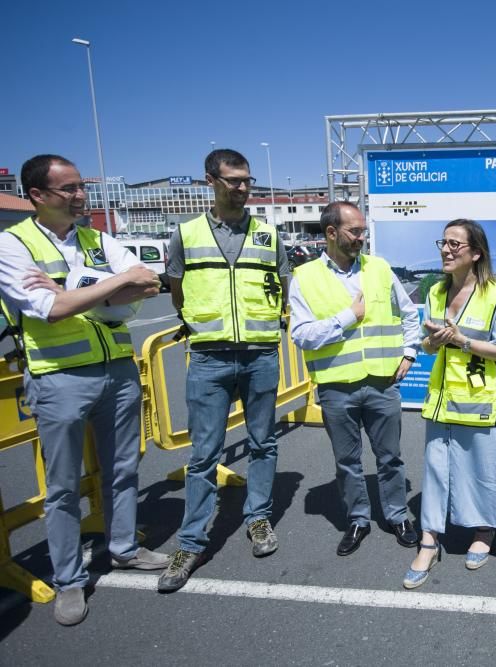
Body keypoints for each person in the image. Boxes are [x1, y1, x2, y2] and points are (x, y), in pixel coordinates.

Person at [0, 154, 168, 625]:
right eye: (68, 189)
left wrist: (69, 288)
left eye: (80, 187)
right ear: (36, 195)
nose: (79, 196)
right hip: (59, 376)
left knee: (122, 469)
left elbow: (148, 283)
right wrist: (109, 288)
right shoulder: (12, 244)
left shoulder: (97, 238)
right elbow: (45, 310)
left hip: (116, 369)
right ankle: (69, 579)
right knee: (63, 486)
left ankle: (122, 548)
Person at [157, 148, 290, 592]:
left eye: (247, 180)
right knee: (203, 457)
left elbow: (281, 287)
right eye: (234, 180)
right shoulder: (186, 234)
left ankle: (258, 519)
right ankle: (191, 543)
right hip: (210, 357)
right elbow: (177, 293)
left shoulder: (269, 236)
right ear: (210, 181)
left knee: (262, 443)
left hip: (260, 355)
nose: (243, 188)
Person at [289, 201, 420, 555]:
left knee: (390, 457)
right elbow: (300, 334)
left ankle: (397, 515)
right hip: (336, 388)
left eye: (363, 230)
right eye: (355, 231)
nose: (362, 237)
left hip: (381, 383)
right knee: (347, 461)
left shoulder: (378, 268)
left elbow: (409, 315)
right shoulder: (305, 278)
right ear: (331, 233)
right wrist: (349, 316)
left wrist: (409, 352)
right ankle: (358, 519)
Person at [403, 219, 496, 589]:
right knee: (436, 469)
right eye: (444, 242)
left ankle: (484, 531)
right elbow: (428, 344)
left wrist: (462, 340)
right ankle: (429, 540)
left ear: (476, 253)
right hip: (442, 399)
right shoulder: (435, 292)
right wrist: (434, 344)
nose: (447, 250)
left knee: (483, 468)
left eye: (456, 244)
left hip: (481, 399)